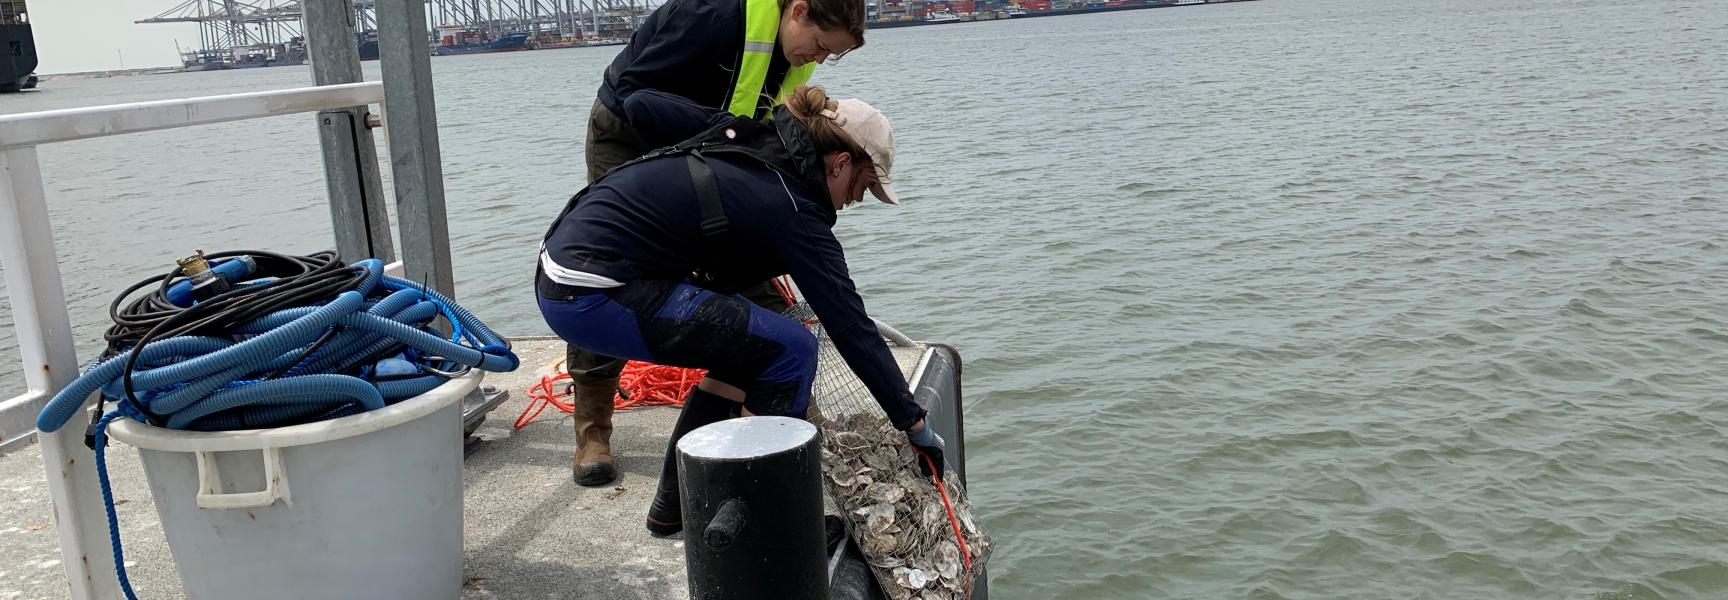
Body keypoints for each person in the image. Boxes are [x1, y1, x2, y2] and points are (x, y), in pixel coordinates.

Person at [539, 85, 945, 535]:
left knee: (750, 350)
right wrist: (914, 422)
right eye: (864, 185)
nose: (857, 199)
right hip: (596, 293)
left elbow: (637, 104)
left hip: (561, 270)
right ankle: (772, 523)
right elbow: (850, 325)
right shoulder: (795, 211)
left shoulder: (749, 136)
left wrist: (706, 126)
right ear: (840, 162)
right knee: (792, 350)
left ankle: (674, 508)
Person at [568, 0, 870, 487]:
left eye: (830, 56)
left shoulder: (798, 54)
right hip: (630, 134)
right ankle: (592, 432)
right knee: (609, 274)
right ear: (798, 10)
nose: (816, 59)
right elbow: (630, 91)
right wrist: (719, 130)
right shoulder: (713, 14)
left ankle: (773, 406)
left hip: (711, 154)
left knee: (753, 286)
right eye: (818, 46)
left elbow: (778, 130)